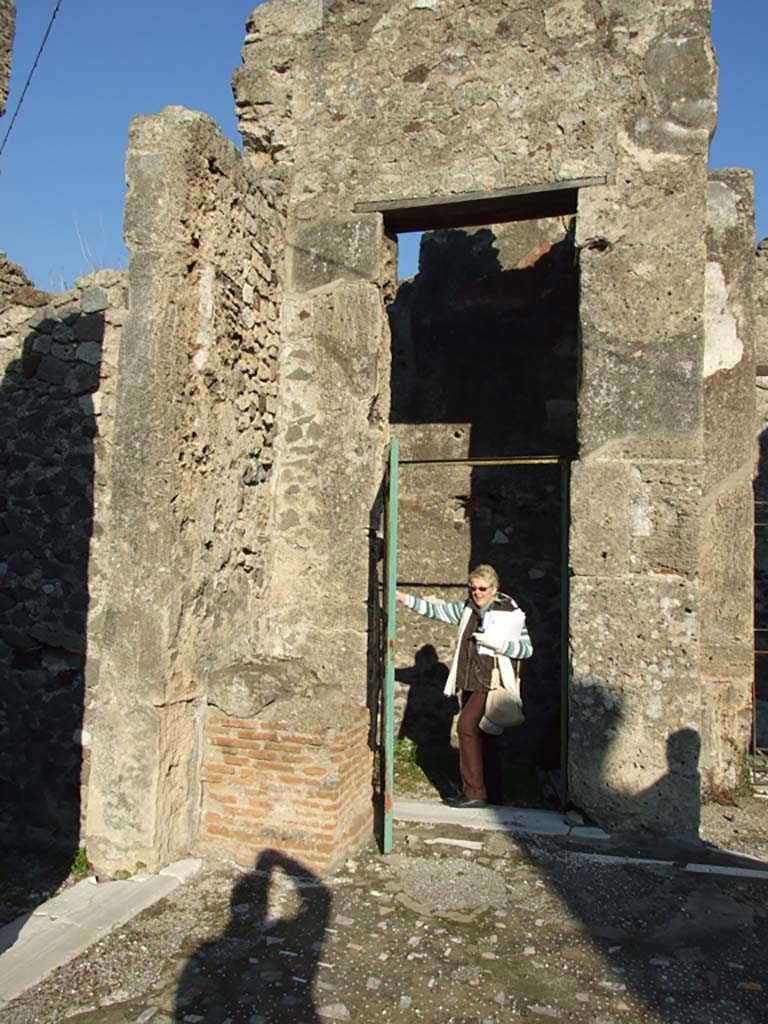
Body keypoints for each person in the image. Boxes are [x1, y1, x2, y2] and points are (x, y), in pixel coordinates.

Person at [396, 564, 533, 808]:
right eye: (472, 589)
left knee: (466, 728)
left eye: (482, 589)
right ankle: (494, 792)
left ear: (494, 589)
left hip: (492, 682)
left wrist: (499, 644)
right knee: (485, 735)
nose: (477, 593)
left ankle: (474, 792)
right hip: (470, 682)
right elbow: (436, 610)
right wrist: (403, 597)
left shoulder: (509, 611)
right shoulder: (467, 609)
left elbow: (526, 649)